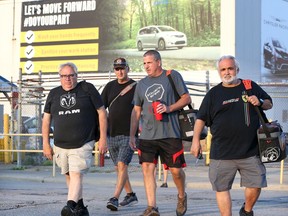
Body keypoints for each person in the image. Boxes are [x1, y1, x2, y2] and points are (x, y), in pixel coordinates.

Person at [190, 55, 273, 216]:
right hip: (221, 153)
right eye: (223, 69)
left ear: (237, 70)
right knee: (221, 188)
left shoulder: (249, 86)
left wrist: (260, 101)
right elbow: (200, 118)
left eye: (230, 68)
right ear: (219, 72)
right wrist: (195, 141)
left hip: (250, 150)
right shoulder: (213, 94)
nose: (227, 72)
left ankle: (247, 210)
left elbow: (269, 103)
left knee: (256, 185)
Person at [129, 50, 191, 216]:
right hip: (148, 135)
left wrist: (169, 108)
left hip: (170, 133)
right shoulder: (141, 84)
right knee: (147, 169)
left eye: (149, 62)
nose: (146, 66)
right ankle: (152, 207)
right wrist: (132, 135)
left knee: (176, 171)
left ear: (158, 62)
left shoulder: (172, 76)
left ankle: (181, 196)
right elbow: (136, 111)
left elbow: (186, 98)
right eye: (144, 63)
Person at [42, 62, 107, 216]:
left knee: (76, 172)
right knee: (69, 174)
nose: (68, 79)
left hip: (83, 141)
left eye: (71, 75)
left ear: (76, 76)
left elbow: (102, 112)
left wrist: (103, 137)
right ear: (60, 77)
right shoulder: (53, 94)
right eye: (64, 76)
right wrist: (45, 143)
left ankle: (70, 206)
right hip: (60, 143)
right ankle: (80, 207)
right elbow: (46, 120)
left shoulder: (87, 89)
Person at [101, 58, 138, 211]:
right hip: (112, 134)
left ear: (128, 69)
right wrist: (101, 134)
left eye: (122, 68)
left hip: (128, 134)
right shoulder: (109, 87)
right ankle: (130, 194)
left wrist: (134, 135)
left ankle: (115, 198)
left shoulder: (136, 86)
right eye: (117, 69)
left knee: (123, 164)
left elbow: (139, 110)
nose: (120, 71)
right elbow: (101, 110)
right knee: (118, 167)